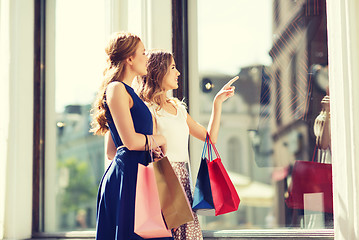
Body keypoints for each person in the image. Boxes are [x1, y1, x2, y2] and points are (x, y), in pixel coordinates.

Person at [138, 49, 238, 239]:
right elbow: (150, 154)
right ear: (159, 71)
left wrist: (217, 103)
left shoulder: (177, 107)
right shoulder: (147, 109)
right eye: (173, 67)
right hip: (163, 181)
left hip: (183, 179)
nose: (178, 73)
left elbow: (210, 138)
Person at [90, 32, 172, 240]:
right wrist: (159, 139)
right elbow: (130, 142)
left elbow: (112, 150)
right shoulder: (117, 89)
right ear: (129, 59)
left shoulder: (127, 92)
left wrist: (148, 147)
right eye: (143, 53)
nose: (147, 58)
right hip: (129, 179)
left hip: (135, 174)